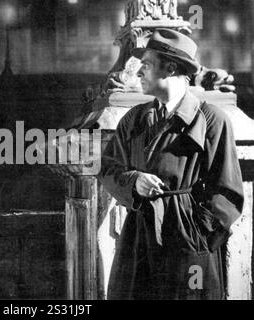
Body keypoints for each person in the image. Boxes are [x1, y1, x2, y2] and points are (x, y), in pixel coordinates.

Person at [98, 29, 244, 300]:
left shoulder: (211, 121)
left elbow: (228, 194)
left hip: (187, 246)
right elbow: (108, 170)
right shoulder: (134, 119)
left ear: (171, 68)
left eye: (147, 65)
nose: (138, 72)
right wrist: (133, 182)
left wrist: (198, 237)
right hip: (138, 240)